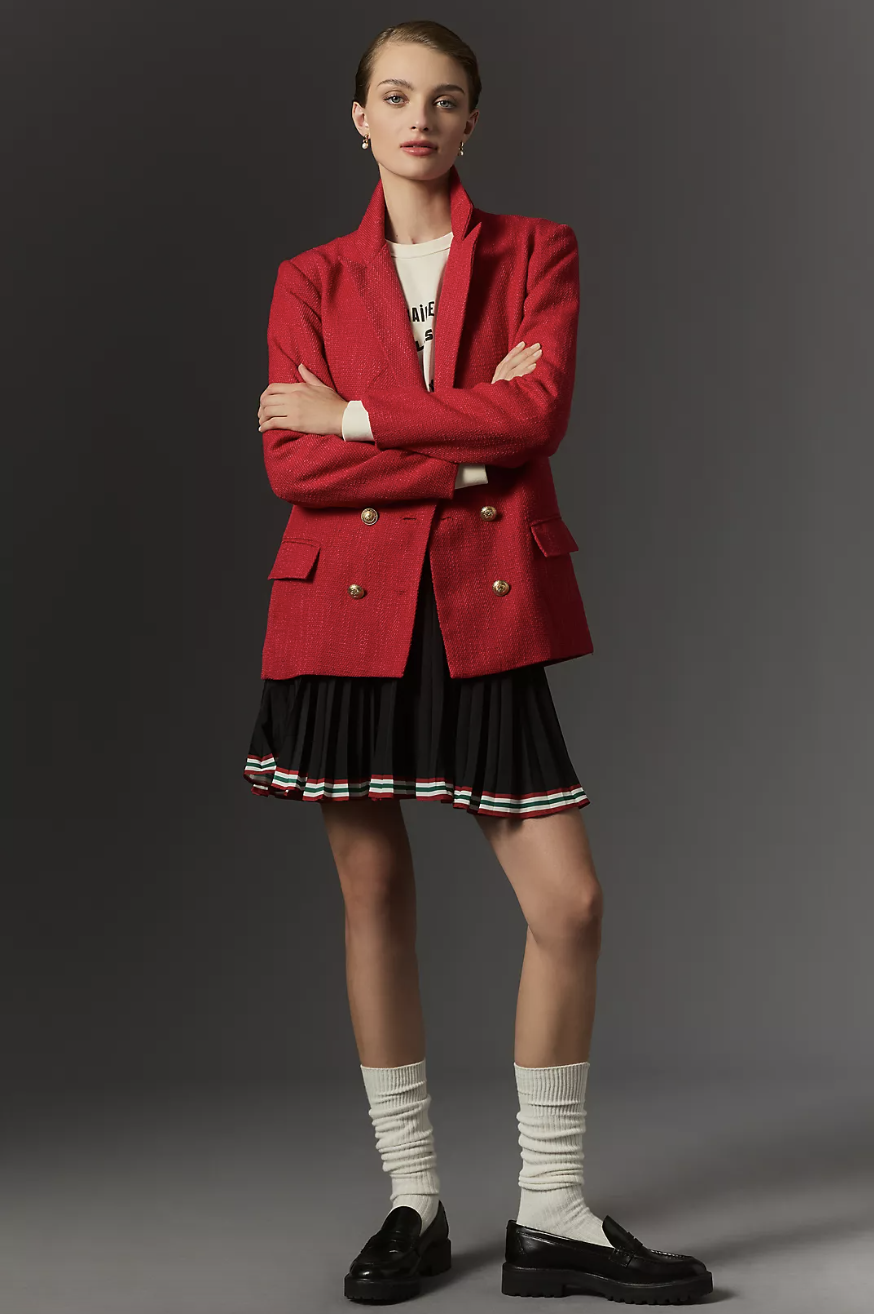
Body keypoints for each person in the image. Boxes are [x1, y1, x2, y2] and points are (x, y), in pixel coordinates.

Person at [248, 19, 713, 1307]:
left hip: (481, 604)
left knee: (567, 903)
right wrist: (460, 456)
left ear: (471, 123)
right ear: (359, 116)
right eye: (395, 96)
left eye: (444, 101)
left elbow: (536, 414)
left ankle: (552, 1211)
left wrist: (355, 416)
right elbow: (290, 467)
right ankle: (413, 1199)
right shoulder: (306, 279)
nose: (419, 119)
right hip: (344, 611)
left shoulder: (535, 254)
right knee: (371, 896)